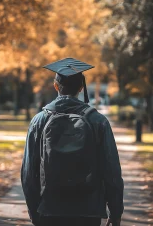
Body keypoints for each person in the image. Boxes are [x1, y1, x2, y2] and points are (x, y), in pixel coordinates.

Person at [21, 58, 124, 226]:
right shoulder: (98, 121)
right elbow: (111, 170)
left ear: (56, 86)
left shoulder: (39, 121)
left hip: (49, 209)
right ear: (81, 87)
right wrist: (116, 211)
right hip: (89, 210)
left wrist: (34, 210)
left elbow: (28, 172)